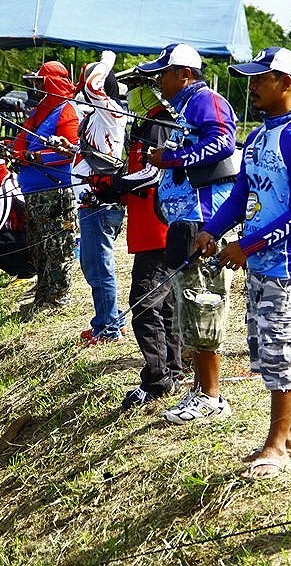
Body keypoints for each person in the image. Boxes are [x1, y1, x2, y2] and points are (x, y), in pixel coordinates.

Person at [195, 47, 291, 478]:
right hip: (260, 263)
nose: (251, 87)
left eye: (260, 79)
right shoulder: (257, 137)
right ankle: (285, 439)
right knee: (268, 352)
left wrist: (245, 246)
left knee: (285, 352)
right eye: (250, 79)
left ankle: (280, 446)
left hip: (288, 265)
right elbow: (240, 195)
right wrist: (212, 230)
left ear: (286, 83)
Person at [135, 43, 239, 425]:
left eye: (164, 73)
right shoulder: (186, 106)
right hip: (186, 220)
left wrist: (171, 158)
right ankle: (199, 390)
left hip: (203, 220)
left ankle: (210, 396)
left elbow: (221, 143)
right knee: (189, 307)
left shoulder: (203, 99)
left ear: (184, 74)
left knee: (203, 304)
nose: (159, 81)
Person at [114, 81, 182, 408]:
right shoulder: (145, 124)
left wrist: (118, 184)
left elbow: (154, 175)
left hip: (159, 230)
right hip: (146, 229)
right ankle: (174, 370)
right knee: (164, 303)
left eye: (136, 89)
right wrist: (112, 187)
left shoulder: (159, 125)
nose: (130, 95)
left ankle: (158, 380)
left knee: (142, 301)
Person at [12, 61, 80, 312]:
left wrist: (37, 158)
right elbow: (22, 141)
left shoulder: (67, 111)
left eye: (40, 82)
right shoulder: (39, 111)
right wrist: (15, 151)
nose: (36, 88)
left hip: (55, 191)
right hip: (34, 192)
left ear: (52, 83)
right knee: (39, 246)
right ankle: (42, 297)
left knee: (57, 246)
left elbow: (71, 152)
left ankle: (57, 299)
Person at [72, 50, 128, 346]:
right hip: (90, 203)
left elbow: (94, 84)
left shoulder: (111, 111)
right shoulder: (97, 116)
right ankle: (109, 319)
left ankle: (108, 329)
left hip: (101, 204)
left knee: (99, 266)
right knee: (92, 264)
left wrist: (106, 61)